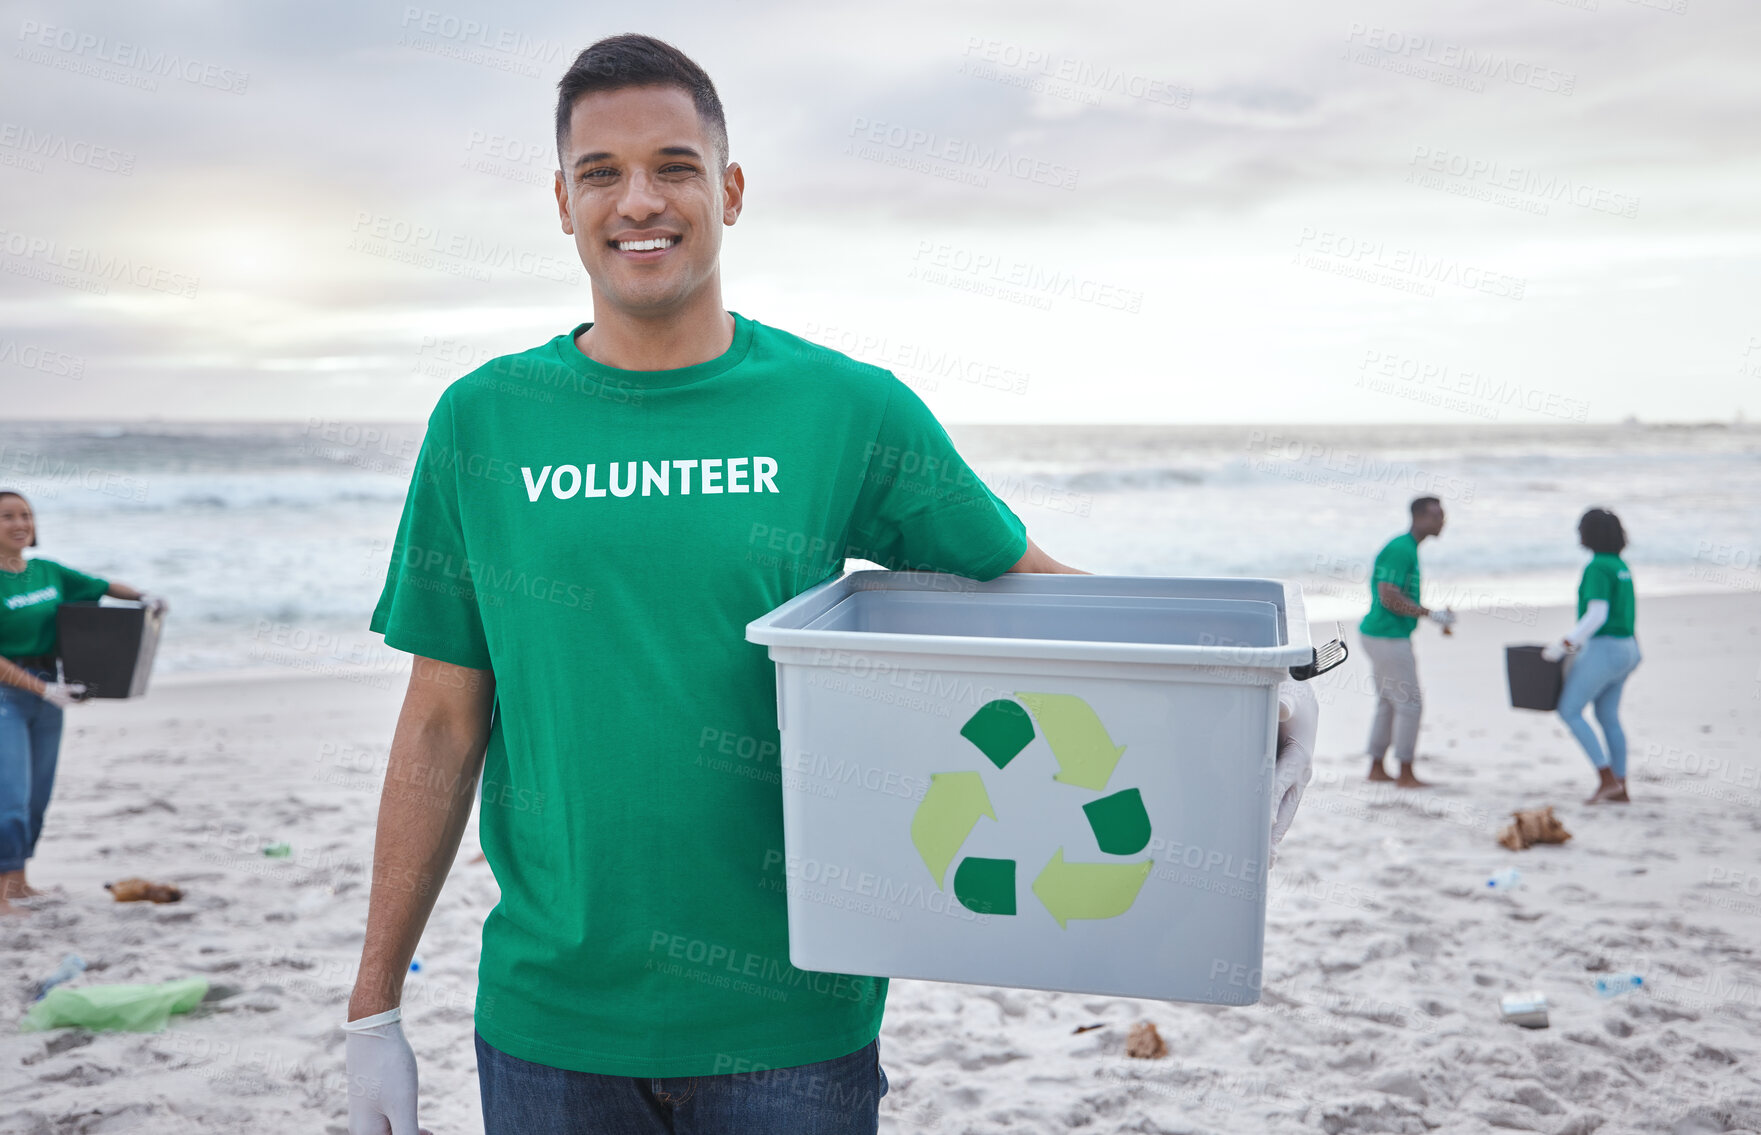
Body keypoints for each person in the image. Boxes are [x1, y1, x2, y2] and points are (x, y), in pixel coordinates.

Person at [342, 34, 1320, 1135]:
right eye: (600, 173)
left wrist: (1241, 675)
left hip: (792, 1024)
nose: (639, 201)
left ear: (733, 189)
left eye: (674, 165)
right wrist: (373, 1009)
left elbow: (1025, 588)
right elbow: (440, 720)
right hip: (551, 1022)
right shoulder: (484, 421)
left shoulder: (844, 407)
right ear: (561, 203)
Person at [0, 489, 167, 915]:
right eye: (7, 517)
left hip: (49, 689)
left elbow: (103, 586)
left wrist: (144, 598)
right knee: (10, 799)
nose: (20, 524)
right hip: (9, 695)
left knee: (37, 797)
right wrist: (42, 690)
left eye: (26, 515)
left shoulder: (47, 571)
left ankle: (19, 885)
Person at [1542, 508, 1639, 805]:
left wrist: (1565, 644)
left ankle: (1607, 778)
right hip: (1629, 647)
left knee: (1569, 711)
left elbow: (1597, 614)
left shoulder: (1596, 567)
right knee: (1607, 716)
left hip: (1605, 647)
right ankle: (1620, 784)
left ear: (1590, 534)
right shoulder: (1619, 565)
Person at [1358, 496, 1455, 788]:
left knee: (1389, 702)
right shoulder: (1401, 549)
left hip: (1380, 633)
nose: (1442, 522)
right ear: (1420, 517)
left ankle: (1377, 767)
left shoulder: (1407, 547)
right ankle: (1406, 772)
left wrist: (1428, 614)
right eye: (1437, 516)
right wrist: (1429, 614)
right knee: (1410, 704)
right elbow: (1388, 595)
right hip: (1387, 636)